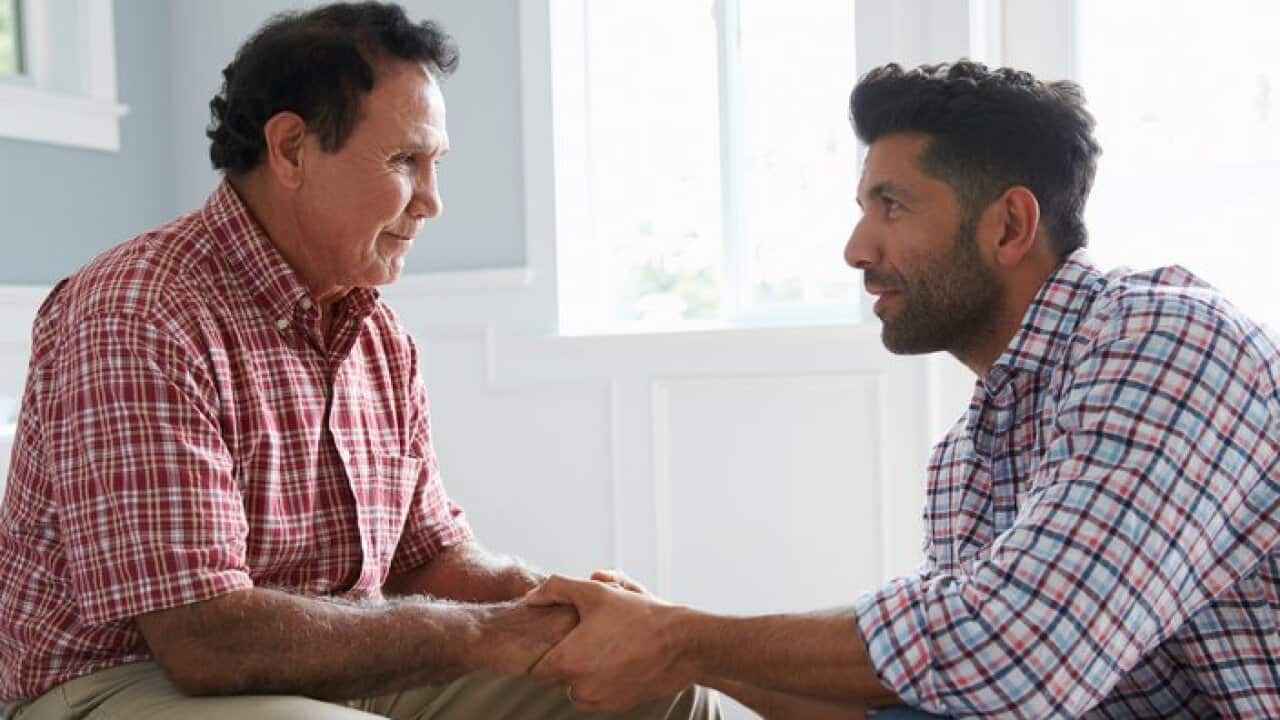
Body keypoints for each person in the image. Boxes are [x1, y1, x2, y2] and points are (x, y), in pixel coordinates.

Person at [0, 3, 719, 719]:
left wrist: (571, 608)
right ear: (290, 150)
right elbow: (205, 640)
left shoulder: (378, 335)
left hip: (330, 668)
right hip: (115, 683)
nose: (432, 202)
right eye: (406, 161)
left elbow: (429, 556)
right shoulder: (138, 313)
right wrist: (490, 635)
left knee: (661, 693)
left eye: (435, 165)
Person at [525, 61, 1280, 718]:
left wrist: (680, 635)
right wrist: (674, 646)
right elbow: (936, 702)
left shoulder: (1170, 341)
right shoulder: (967, 460)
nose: (857, 249)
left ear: (1010, 225)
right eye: (863, 209)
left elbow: (1020, 649)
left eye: (892, 205)